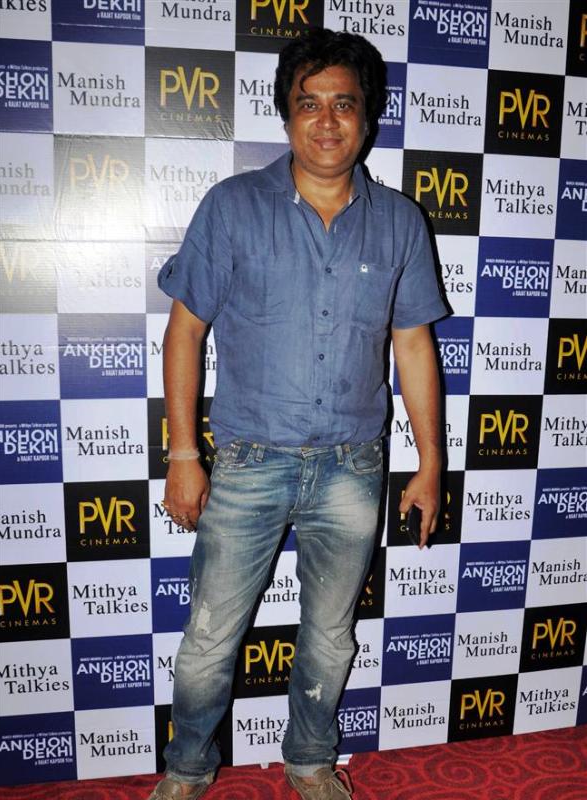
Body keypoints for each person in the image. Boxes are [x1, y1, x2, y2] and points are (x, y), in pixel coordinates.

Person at [149, 28, 447, 800]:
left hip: (353, 466)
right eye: (308, 104)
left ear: (367, 118)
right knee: (210, 637)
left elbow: (413, 345)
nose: (326, 121)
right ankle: (186, 769)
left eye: (343, 104)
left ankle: (311, 761)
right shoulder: (233, 207)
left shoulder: (400, 222)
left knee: (330, 636)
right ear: (286, 115)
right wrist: (183, 455)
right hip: (248, 462)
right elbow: (185, 330)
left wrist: (430, 463)